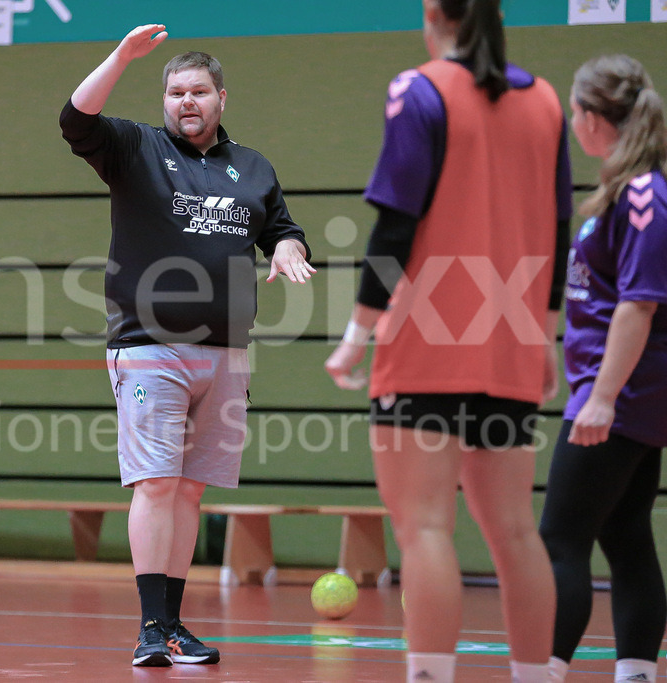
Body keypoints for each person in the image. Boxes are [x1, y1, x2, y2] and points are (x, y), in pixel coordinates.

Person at [324, 1, 573, 681]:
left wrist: (355, 335)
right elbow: (558, 231)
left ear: (433, 12)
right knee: (517, 532)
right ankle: (538, 675)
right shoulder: (547, 100)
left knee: (426, 529)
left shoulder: (419, 90)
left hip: (425, 347)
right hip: (512, 345)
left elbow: (394, 230)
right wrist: (544, 337)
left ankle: (429, 674)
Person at [59, 24, 314, 668]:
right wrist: (120, 57)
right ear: (164, 101)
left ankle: (174, 627)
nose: (186, 101)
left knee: (191, 492)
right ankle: (150, 627)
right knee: (156, 483)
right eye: (175, 92)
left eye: (198, 90)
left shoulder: (252, 167)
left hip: (226, 353)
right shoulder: (133, 148)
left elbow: (283, 229)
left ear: (221, 97)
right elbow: (75, 118)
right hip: (150, 347)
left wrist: (287, 249)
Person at [538, 55, 667, 683]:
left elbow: (639, 305)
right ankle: (637, 673)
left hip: (623, 395)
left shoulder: (645, 196)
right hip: (631, 395)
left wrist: (604, 397)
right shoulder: (628, 190)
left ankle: (544, 670)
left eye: (574, 109)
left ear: (591, 118)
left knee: (559, 539)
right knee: (626, 535)